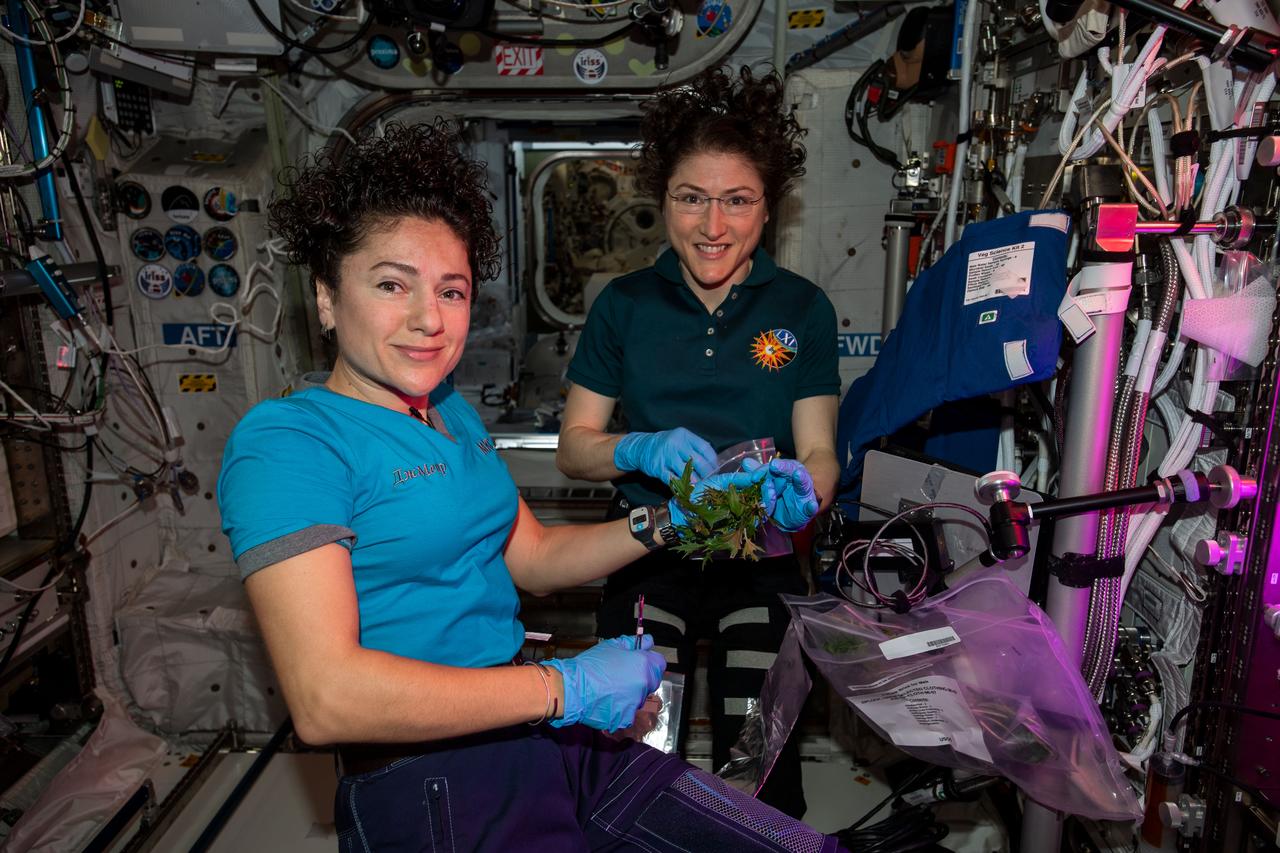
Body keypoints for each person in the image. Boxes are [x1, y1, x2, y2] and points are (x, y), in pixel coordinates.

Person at [217, 120, 848, 852]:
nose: (428, 319)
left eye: (451, 291)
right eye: (392, 283)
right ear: (326, 297)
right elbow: (326, 700)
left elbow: (535, 556)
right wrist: (565, 688)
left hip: (541, 736)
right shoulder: (288, 442)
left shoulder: (448, 410)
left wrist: (672, 520)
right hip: (433, 770)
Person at [556, 65, 841, 819]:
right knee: (645, 749)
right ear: (665, 201)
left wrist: (807, 490)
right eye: (692, 198)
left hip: (761, 557)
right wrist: (638, 449)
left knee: (759, 755)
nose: (713, 226)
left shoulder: (802, 309)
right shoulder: (623, 305)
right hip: (649, 547)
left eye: (738, 200)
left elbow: (820, 450)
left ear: (767, 205)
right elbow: (574, 445)